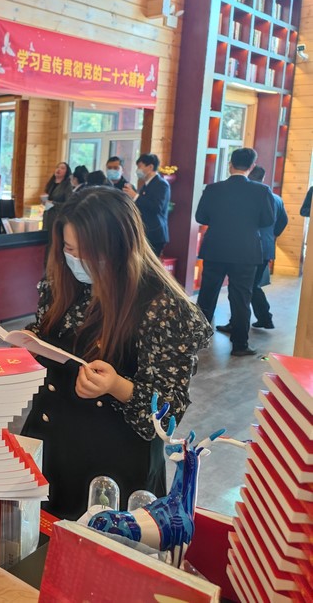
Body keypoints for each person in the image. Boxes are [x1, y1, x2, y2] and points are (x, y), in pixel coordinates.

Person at [20, 187, 211, 520]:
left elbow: (165, 417)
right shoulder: (63, 281)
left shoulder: (164, 308)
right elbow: (53, 335)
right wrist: (31, 342)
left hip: (113, 468)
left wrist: (116, 386)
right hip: (49, 442)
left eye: (89, 253)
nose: (76, 260)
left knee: (99, 546)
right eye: (69, 248)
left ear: (121, 248)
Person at [195, 147, 275, 357]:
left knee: (207, 295)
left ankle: (197, 339)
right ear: (252, 167)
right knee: (241, 297)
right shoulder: (262, 191)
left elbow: (201, 217)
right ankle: (240, 344)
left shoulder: (212, 189)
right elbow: (268, 220)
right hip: (246, 251)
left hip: (215, 249)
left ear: (230, 164)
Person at [217, 165, 288, 334]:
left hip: (248, 247)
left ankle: (241, 323)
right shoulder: (276, 198)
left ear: (249, 175)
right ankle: (264, 318)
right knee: (252, 285)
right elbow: (283, 221)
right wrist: (272, 235)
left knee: (240, 287)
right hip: (266, 247)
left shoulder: (249, 196)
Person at [123, 153, 170, 256]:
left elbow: (157, 207)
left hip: (155, 233)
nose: (137, 170)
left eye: (140, 166)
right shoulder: (146, 185)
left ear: (150, 167)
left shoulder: (161, 184)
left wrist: (136, 196)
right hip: (145, 232)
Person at [42, 162, 72, 234]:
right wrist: (44, 200)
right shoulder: (51, 183)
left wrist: (53, 203)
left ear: (66, 172)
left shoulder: (67, 186)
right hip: (47, 216)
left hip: (58, 217)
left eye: (62, 168)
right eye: (57, 167)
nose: (59, 169)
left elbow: (68, 204)